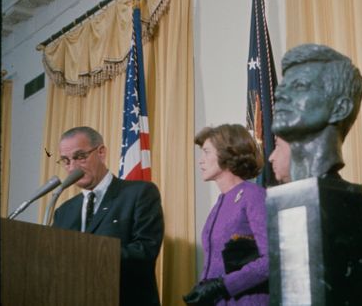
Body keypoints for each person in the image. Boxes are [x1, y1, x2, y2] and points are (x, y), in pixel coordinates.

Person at [272, 43, 362, 305]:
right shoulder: (282, 199)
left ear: (339, 108)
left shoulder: (354, 207)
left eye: (298, 87)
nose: (279, 95)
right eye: (283, 87)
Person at [52, 126, 164, 306]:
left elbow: (145, 252)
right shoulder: (64, 211)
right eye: (66, 160)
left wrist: (85, 254)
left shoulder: (139, 193)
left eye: (80, 157)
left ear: (101, 152)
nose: (72, 167)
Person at [183, 124, 269, 305]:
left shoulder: (253, 196)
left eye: (206, 152)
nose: (200, 160)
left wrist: (222, 286)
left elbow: (270, 260)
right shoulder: (219, 204)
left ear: (227, 153)